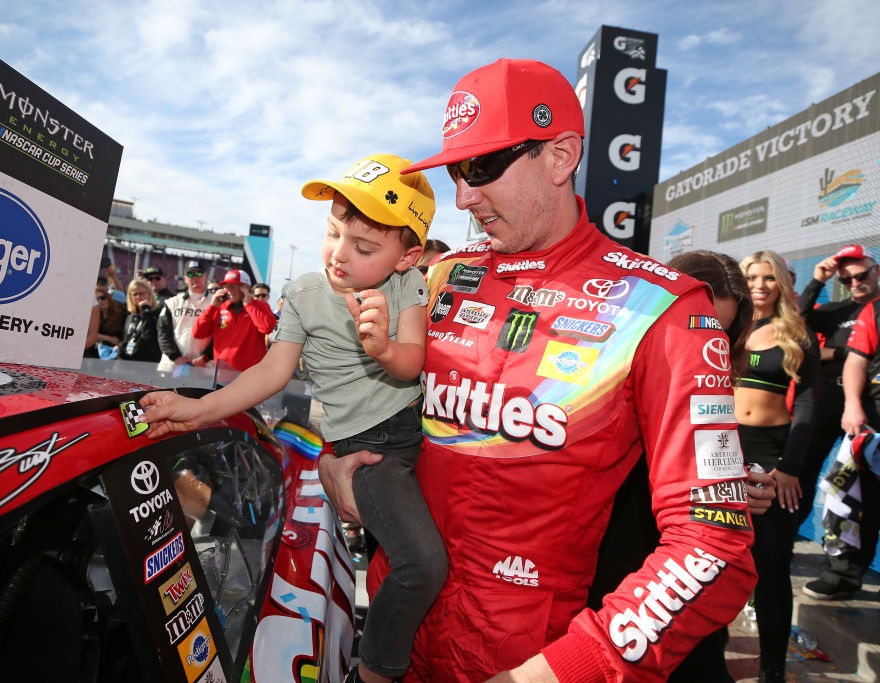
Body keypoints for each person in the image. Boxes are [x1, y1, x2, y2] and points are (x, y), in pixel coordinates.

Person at [318, 59, 757, 683]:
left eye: (482, 168)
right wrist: (335, 463)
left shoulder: (662, 309)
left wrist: (566, 671)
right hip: (399, 636)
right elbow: (353, 392)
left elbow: (716, 547)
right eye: (454, 172)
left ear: (560, 156)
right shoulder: (439, 278)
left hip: (528, 656)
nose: (463, 196)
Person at [140, 153, 445, 683]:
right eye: (332, 233)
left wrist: (384, 348)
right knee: (422, 566)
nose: (339, 255)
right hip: (368, 453)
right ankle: (372, 674)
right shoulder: (303, 292)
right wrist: (197, 410)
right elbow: (272, 370)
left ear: (407, 256)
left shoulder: (410, 287)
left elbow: (413, 360)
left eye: (364, 246)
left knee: (409, 565)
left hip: (424, 443)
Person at [588, 249, 771, 683]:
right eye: (696, 325)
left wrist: (731, 484)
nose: (705, 345)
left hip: (683, 575)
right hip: (612, 563)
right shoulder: (604, 363)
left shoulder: (714, 375)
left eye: (719, 335)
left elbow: (702, 452)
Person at [735, 250, 820, 682]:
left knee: (771, 565)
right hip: (725, 450)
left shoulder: (795, 334)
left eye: (769, 278)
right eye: (752, 276)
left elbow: (807, 406)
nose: (761, 286)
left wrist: (789, 468)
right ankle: (706, 658)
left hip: (774, 456)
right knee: (716, 556)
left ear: (781, 284)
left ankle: (772, 670)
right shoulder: (730, 325)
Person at [797, 245, 880, 599]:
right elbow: (795, 324)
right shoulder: (838, 310)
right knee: (829, 484)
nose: (855, 283)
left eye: (861, 276)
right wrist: (817, 282)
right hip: (840, 406)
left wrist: (835, 352)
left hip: (866, 409)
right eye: (847, 280)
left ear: (876, 271)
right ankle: (786, 545)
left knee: (865, 496)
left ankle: (847, 572)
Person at [824, 288, 880, 599]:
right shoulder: (875, 310)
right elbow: (856, 361)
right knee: (861, 505)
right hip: (875, 421)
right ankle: (843, 577)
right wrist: (852, 405)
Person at [190, 269, 277, 371]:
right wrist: (212, 307)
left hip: (251, 375)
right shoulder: (219, 308)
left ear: (245, 287)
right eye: (225, 287)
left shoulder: (261, 306)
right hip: (222, 373)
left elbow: (267, 328)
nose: (228, 291)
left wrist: (249, 305)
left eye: (232, 287)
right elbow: (198, 333)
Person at [156, 260, 213, 372]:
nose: (195, 277)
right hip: (171, 366)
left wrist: (206, 357)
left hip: (203, 367)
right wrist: (175, 356)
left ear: (206, 276)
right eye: (190, 274)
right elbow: (163, 332)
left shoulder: (216, 302)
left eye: (199, 273)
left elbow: (220, 336)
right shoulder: (172, 302)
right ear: (185, 278)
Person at [117, 278, 162, 362]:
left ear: (149, 293)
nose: (138, 297)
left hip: (149, 363)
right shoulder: (131, 316)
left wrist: (146, 312)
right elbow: (128, 337)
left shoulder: (158, 314)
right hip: (129, 361)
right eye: (135, 294)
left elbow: (148, 336)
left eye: (142, 293)